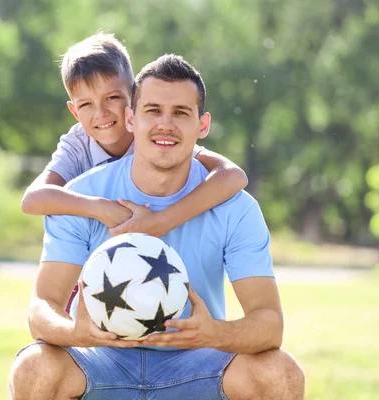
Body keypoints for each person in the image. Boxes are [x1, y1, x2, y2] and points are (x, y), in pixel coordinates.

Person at [9, 54, 305, 399]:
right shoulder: (81, 197)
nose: (166, 124)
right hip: (100, 363)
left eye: (181, 113)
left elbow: (269, 324)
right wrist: (76, 332)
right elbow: (42, 307)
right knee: (34, 366)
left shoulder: (235, 207)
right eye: (153, 111)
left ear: (203, 125)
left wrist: (211, 333)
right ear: (131, 119)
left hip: (198, 363)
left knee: (280, 372)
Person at [21, 32, 248, 312]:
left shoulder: (157, 139)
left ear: (134, 96)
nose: (101, 113)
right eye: (86, 105)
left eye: (113, 98)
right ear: (74, 111)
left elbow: (233, 176)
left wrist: (162, 221)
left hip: (161, 251)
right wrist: (100, 208)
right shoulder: (78, 143)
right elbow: (33, 199)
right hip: (104, 260)